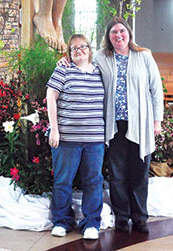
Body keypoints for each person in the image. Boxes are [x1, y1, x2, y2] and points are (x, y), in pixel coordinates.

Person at [58, 17, 164, 233]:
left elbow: (156, 89)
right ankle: (123, 217)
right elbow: (82, 59)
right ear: (108, 37)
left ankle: (140, 217)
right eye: (114, 32)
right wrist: (64, 60)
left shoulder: (144, 56)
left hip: (140, 125)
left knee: (139, 172)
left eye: (122, 31)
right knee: (117, 174)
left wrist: (157, 121)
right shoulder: (101, 57)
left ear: (129, 34)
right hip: (113, 126)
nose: (118, 35)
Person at [46, 34, 105, 239]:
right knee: (63, 181)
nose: (79, 50)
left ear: (89, 49)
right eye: (74, 48)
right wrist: (54, 129)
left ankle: (91, 224)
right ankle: (62, 221)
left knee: (93, 181)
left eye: (83, 47)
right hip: (67, 139)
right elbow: (51, 98)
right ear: (69, 54)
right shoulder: (63, 69)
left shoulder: (100, 71)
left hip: (95, 139)